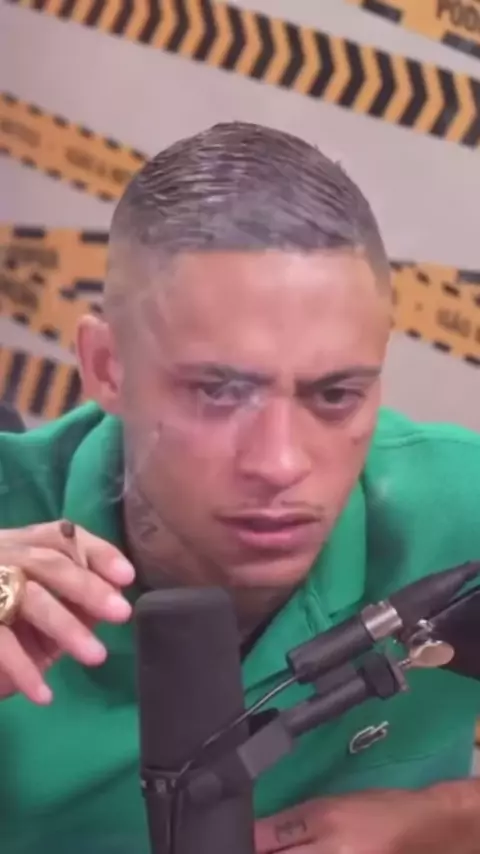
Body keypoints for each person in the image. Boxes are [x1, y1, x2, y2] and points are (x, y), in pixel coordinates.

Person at [1, 122, 480, 854]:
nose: (279, 463)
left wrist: (439, 821)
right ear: (106, 368)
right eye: (217, 391)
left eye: (335, 395)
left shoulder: (460, 507)